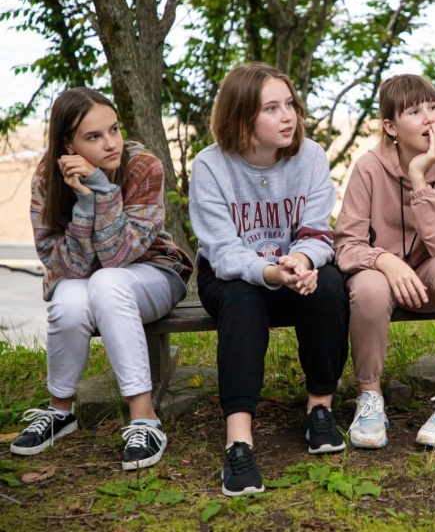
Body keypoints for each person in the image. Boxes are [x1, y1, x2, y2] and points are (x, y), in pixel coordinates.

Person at [12, 88, 193, 470]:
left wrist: (104, 192)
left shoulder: (143, 166)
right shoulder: (47, 178)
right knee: (69, 299)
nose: (111, 143)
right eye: (94, 136)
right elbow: (68, 268)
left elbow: (118, 256)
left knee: (107, 282)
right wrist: (83, 204)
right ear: (68, 144)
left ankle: (145, 419)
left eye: (113, 129)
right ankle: (60, 411)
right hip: (86, 278)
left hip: (153, 272)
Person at [189, 64, 349, 496]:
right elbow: (223, 251)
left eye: (290, 104)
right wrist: (272, 272)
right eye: (271, 108)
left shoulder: (310, 156)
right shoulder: (211, 166)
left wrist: (301, 261)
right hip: (231, 275)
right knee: (243, 301)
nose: (288, 116)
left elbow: (318, 230)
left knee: (329, 286)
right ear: (242, 117)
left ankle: (320, 409)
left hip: (293, 266)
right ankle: (239, 441)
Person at [334, 74, 435, 450]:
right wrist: (383, 260)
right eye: (414, 112)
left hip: (429, 279)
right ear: (390, 127)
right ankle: (369, 397)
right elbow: (346, 245)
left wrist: (419, 180)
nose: (429, 118)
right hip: (381, 280)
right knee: (368, 286)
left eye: (433, 106)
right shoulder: (368, 167)